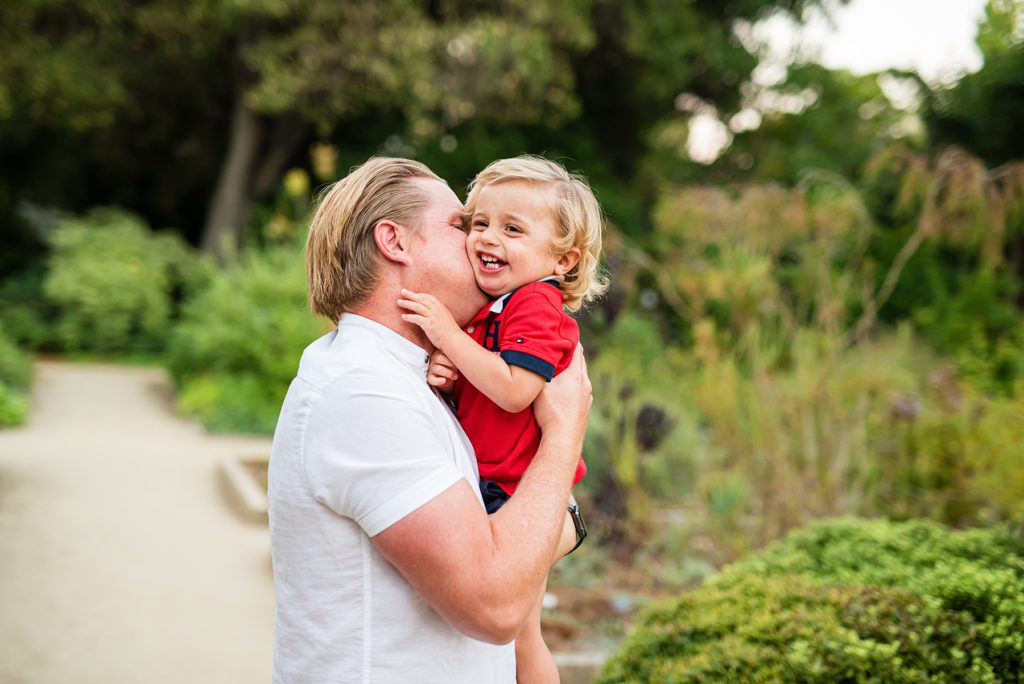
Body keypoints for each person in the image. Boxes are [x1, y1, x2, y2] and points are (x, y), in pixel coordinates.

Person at [267, 156, 592, 683]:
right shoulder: (364, 391)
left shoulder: (409, 374)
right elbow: (494, 605)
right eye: (465, 224)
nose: (480, 241)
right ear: (395, 242)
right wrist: (564, 432)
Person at [397, 155, 607, 682]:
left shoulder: (536, 302)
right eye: (480, 223)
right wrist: (453, 373)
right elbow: (489, 386)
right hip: (499, 486)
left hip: (517, 493)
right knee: (517, 636)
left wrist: (446, 335)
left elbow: (515, 391)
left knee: (519, 636)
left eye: (513, 229)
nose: (488, 238)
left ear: (563, 259)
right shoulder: (496, 306)